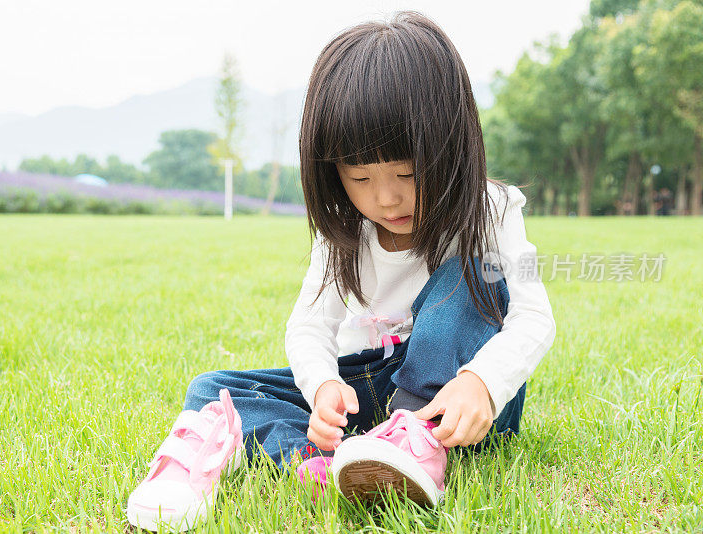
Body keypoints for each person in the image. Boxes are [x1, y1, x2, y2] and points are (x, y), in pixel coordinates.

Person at [127, 10, 556, 529]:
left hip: (461, 404)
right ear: (333, 172)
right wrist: (323, 386)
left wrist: (482, 384)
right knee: (213, 391)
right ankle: (333, 464)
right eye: (360, 177)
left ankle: (415, 445)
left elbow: (534, 318)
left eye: (408, 172)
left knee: (472, 275)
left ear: (453, 146)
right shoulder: (343, 232)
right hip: (376, 383)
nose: (387, 197)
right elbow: (310, 325)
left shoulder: (491, 211)